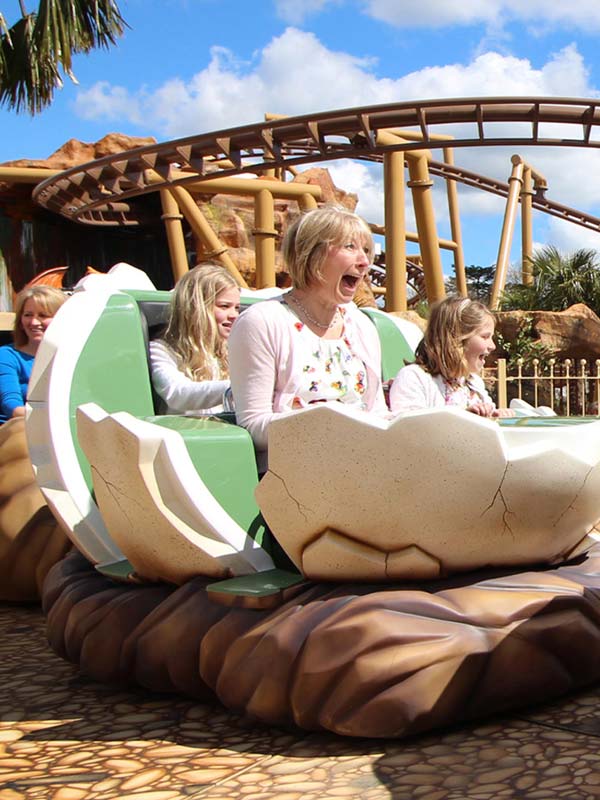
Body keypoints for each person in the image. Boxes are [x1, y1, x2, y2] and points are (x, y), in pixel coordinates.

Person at [228, 205, 388, 471]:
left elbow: (377, 412)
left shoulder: (362, 325)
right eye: (350, 246)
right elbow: (252, 425)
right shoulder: (263, 321)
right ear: (310, 253)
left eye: (367, 251)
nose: (364, 262)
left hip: (362, 467)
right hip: (294, 475)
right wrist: (327, 424)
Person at [389, 295, 514, 417]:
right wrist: (462, 417)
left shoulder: (473, 383)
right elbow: (406, 427)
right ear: (456, 340)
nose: (492, 346)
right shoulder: (414, 377)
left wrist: (497, 415)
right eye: (485, 337)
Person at [149, 263, 241, 414]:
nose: (234, 315)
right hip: (184, 435)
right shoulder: (161, 350)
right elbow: (178, 394)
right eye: (224, 306)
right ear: (196, 308)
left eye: (237, 308)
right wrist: (239, 387)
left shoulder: (234, 350)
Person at [0, 285, 67, 423]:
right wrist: (54, 422)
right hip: (19, 429)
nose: (34, 322)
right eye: (28, 315)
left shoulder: (70, 357)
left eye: (43, 315)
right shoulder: (7, 355)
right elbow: (11, 405)